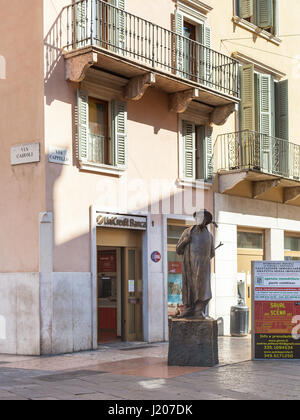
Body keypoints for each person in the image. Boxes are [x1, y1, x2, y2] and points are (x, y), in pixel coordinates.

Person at [176, 209, 216, 319]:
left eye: (202, 218)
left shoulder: (209, 236)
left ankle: (198, 310)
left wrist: (202, 260)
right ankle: (188, 310)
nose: (199, 220)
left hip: (202, 270)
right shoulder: (187, 232)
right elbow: (178, 250)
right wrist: (185, 241)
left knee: (203, 291)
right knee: (190, 289)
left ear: (206, 221)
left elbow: (212, 253)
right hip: (190, 269)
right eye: (198, 217)